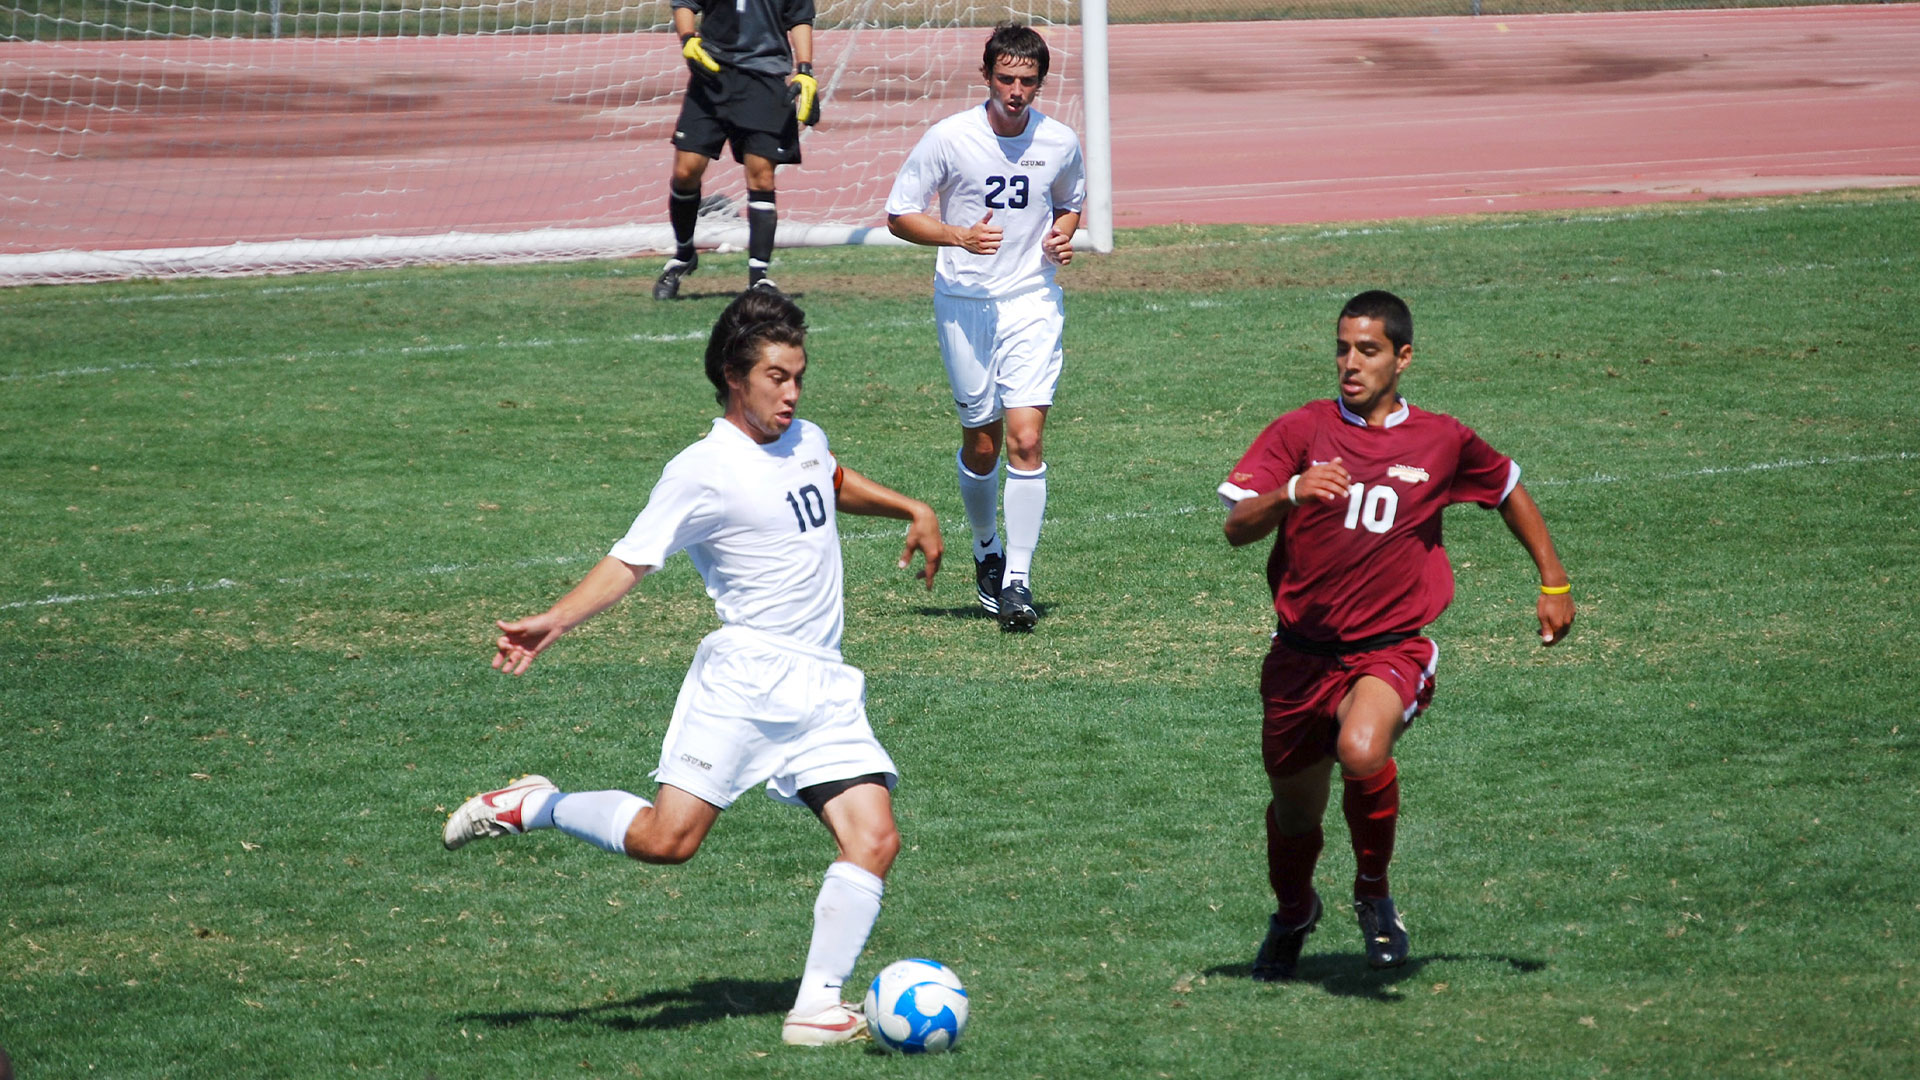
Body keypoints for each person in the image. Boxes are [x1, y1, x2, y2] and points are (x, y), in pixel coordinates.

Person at [443, 289, 943, 1047]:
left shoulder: (803, 435)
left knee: (874, 838)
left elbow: (827, 479)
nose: (793, 391)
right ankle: (534, 804)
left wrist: (912, 507)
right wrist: (554, 621)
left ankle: (815, 1007)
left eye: (799, 375)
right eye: (777, 376)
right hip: (744, 679)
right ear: (733, 377)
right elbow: (630, 560)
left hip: (823, 683)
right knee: (666, 842)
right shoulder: (702, 470)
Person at [1216, 290, 1574, 980]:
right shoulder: (1302, 430)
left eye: (1369, 350)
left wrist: (1552, 580)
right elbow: (1236, 528)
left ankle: (1374, 896)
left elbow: (1507, 488)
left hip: (1389, 648)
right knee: (1295, 817)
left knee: (1361, 746)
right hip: (1299, 657)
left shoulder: (1441, 439)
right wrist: (1291, 491)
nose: (1351, 363)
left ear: (1403, 357)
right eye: (1343, 349)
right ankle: (1294, 912)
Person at [884, 22, 1085, 631]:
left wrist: (1065, 234)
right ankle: (985, 547)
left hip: (1031, 299)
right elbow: (899, 215)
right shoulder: (949, 138)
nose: (1016, 91)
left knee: (1026, 438)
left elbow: (1071, 199)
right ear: (986, 76)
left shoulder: (1060, 141)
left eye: (1028, 81)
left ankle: (1018, 580)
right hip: (964, 303)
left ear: (1041, 82)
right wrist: (957, 236)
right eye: (1006, 78)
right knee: (983, 440)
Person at [652, 0, 820, 299]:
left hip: (765, 78)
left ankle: (759, 277)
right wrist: (688, 39)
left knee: (762, 177)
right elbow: (685, 3)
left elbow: (800, 17)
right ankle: (683, 255)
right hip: (712, 73)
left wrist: (805, 69)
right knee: (685, 170)